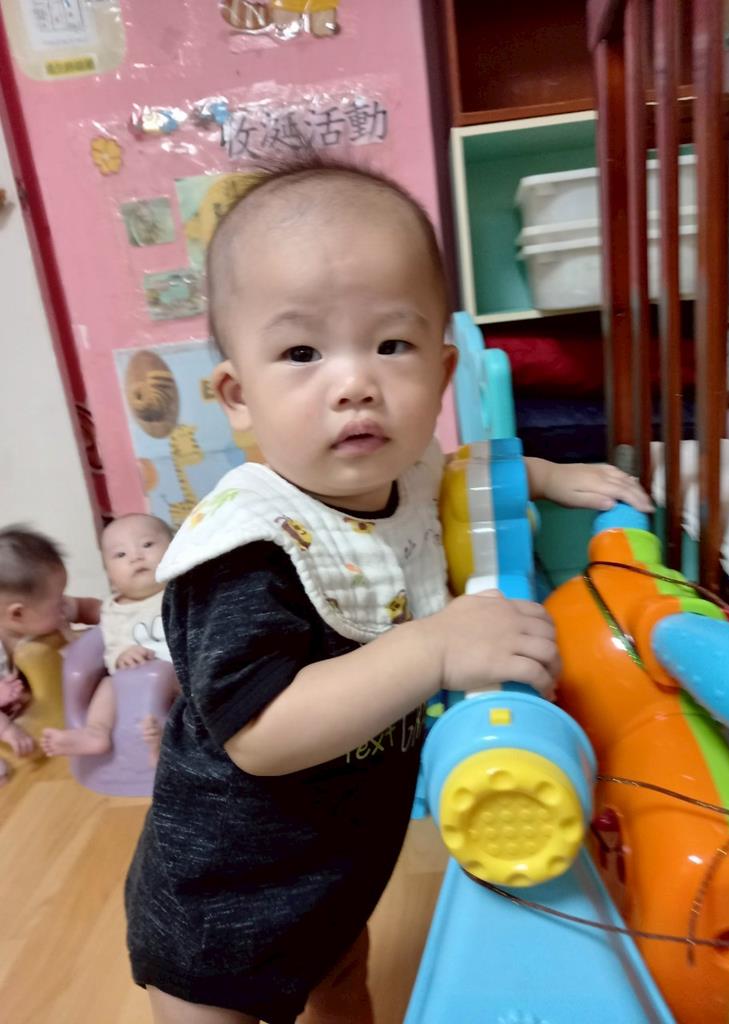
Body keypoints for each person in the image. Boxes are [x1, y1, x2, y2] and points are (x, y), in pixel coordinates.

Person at [124, 159, 653, 1024]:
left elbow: (455, 472)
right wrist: (434, 647)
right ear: (238, 396)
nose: (354, 382)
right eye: (302, 353)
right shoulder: (245, 546)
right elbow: (260, 734)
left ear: (442, 375)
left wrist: (548, 475)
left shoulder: (406, 476)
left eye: (391, 345)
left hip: (340, 864)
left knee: (343, 983)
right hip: (224, 898)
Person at [41, 513, 173, 762]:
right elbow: (112, 651)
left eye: (147, 544)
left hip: (179, 674)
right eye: (120, 554)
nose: (136, 557)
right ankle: (96, 731)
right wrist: (122, 655)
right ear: (109, 574)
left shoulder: (183, 590)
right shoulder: (113, 610)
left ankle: (168, 741)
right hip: (135, 679)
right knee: (107, 686)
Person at [0, 526, 101, 784]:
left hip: (57, 693)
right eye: (57, 602)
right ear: (18, 614)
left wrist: (119, 616)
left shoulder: (50, 608)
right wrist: (8, 729)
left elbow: (89, 608)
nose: (64, 605)